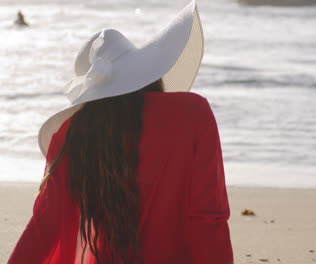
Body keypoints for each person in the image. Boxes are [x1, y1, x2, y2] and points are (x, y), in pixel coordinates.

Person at [8, 1, 234, 263]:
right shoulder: (193, 113)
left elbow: (43, 228)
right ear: (149, 73)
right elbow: (208, 218)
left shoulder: (75, 136)